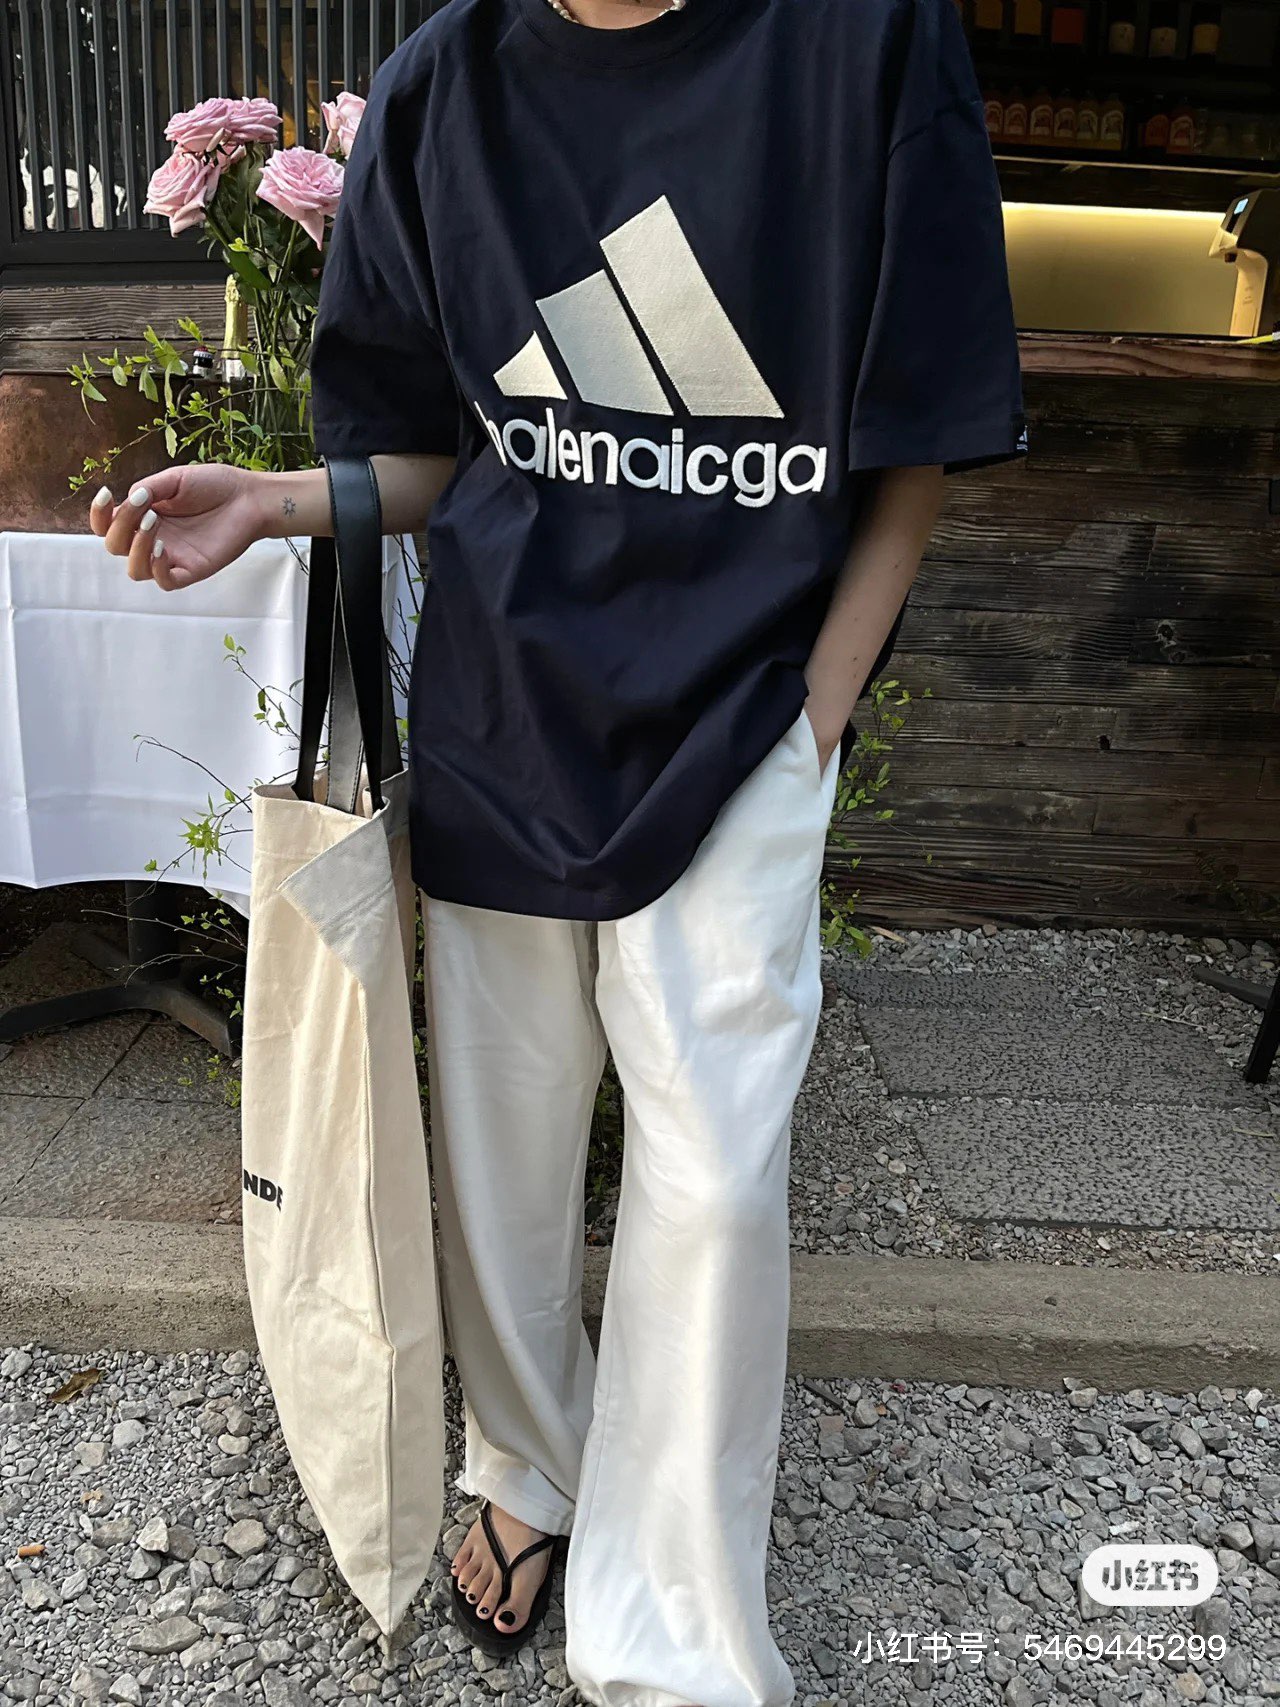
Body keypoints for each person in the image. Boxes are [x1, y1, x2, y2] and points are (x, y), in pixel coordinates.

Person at [93, 0, 1025, 1699]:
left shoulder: (865, 47)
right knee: (506, 1154)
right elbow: (435, 446)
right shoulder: (444, 88)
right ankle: (530, 1464)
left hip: (742, 724)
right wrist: (277, 499)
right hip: (505, 716)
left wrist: (814, 722)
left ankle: (678, 1636)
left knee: (715, 1183)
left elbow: (920, 434)